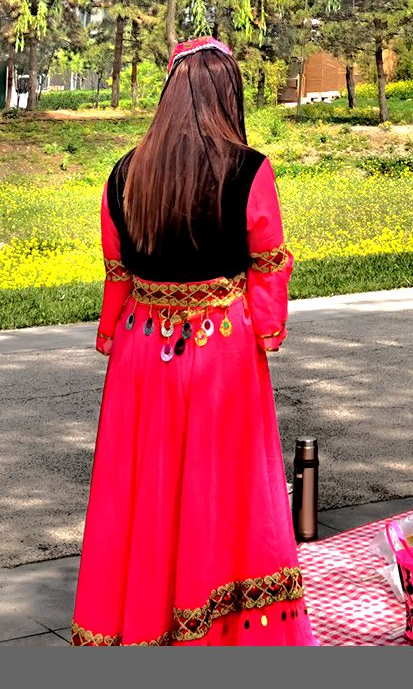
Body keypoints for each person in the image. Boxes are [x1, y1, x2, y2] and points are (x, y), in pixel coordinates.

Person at [72, 37, 316, 646]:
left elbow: (117, 275)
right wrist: (267, 327)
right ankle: (222, 631)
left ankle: (143, 622)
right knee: (220, 489)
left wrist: (110, 332)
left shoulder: (126, 173)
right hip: (220, 350)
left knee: (146, 490)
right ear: (227, 94)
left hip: (140, 351)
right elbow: (267, 264)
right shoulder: (250, 169)